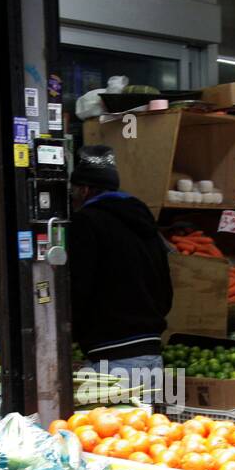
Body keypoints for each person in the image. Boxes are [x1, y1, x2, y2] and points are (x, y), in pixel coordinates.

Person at [66, 145, 173, 389]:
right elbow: (165, 289)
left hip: (112, 359)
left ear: (84, 189)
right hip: (151, 354)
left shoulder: (86, 222)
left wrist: (70, 329)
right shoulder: (143, 222)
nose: (72, 200)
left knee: (106, 427)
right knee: (143, 426)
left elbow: (80, 286)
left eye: (73, 192)